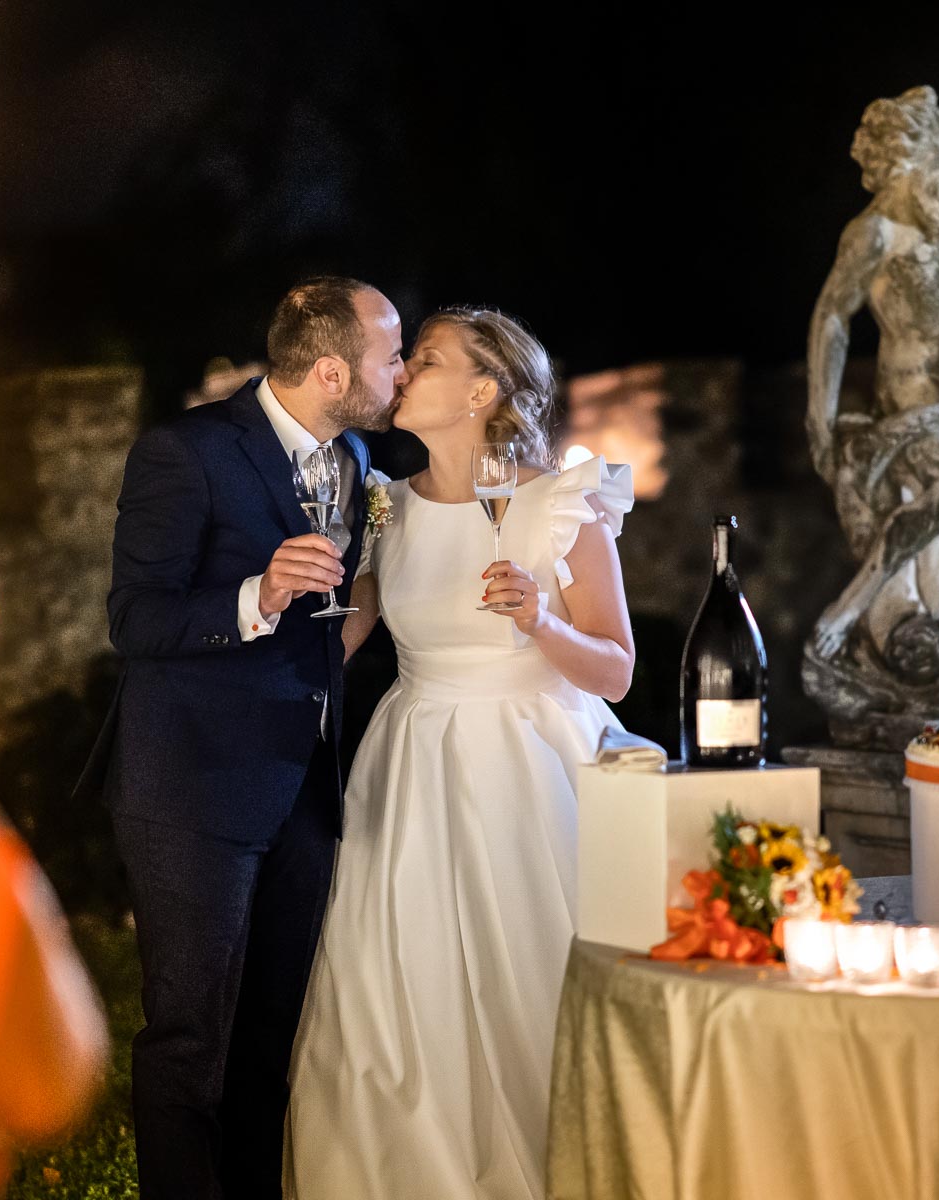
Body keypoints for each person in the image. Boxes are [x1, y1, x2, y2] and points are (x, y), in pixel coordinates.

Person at [284, 305, 636, 1199]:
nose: (402, 373)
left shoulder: (563, 502)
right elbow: (341, 639)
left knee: (533, 993)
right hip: (411, 772)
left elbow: (619, 670)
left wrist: (540, 621)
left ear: (482, 390)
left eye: (427, 359)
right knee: (395, 998)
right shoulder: (383, 505)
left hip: (530, 771)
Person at [77, 275, 405, 1198]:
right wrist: (256, 597)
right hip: (190, 784)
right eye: (392, 355)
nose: (404, 370)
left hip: (303, 782)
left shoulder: (360, 464)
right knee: (190, 1040)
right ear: (335, 370)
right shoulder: (187, 453)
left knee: (273, 1035)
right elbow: (135, 620)